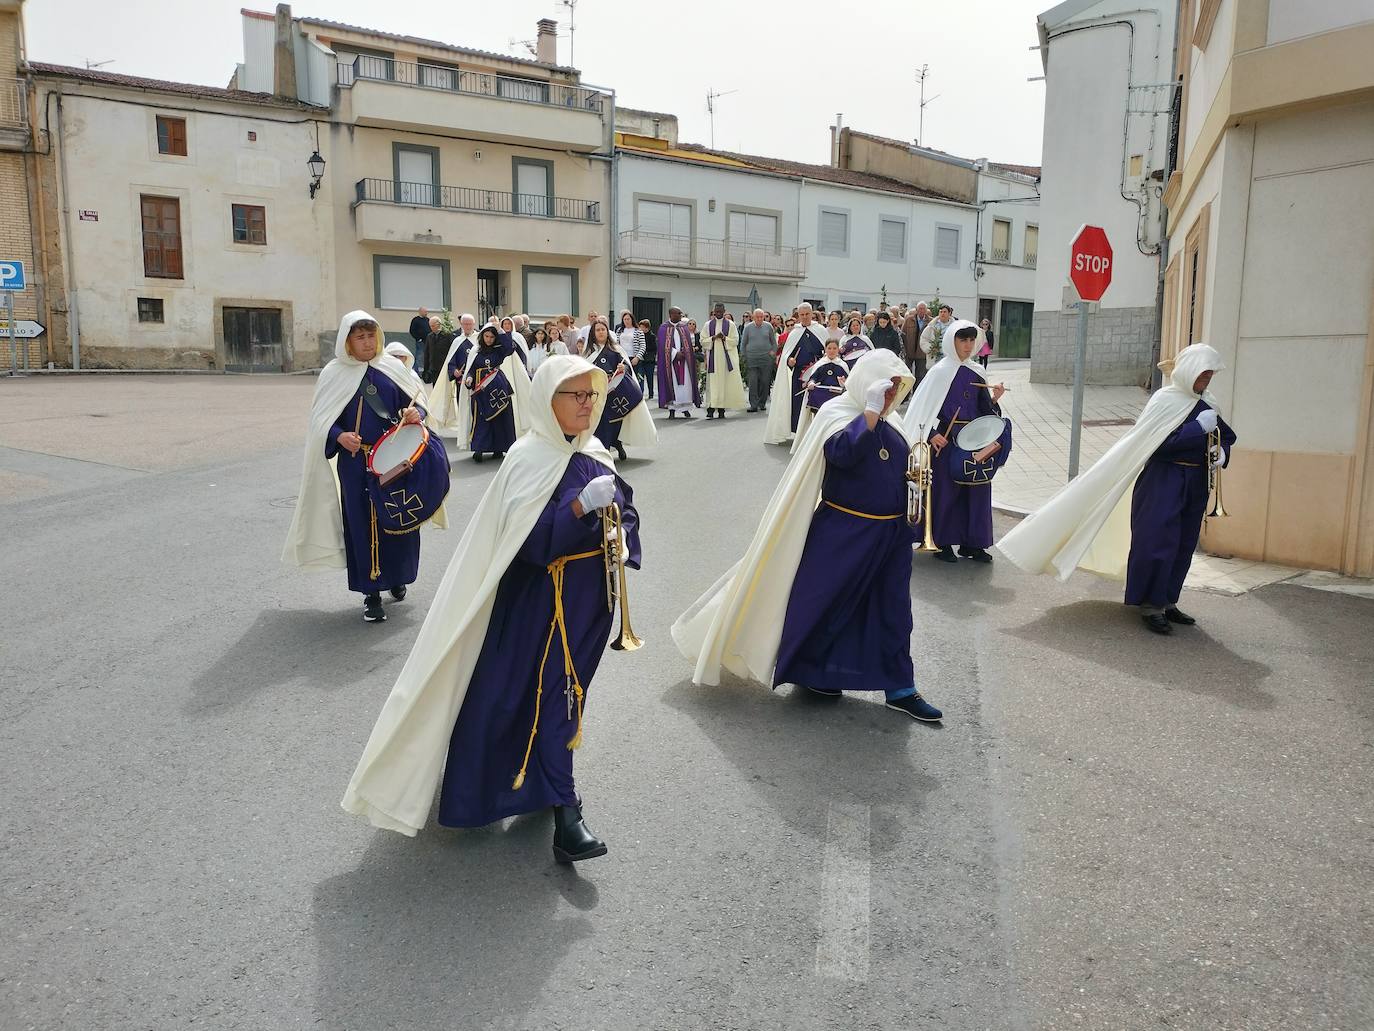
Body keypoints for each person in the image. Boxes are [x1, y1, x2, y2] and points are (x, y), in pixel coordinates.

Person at [342, 355, 643, 858]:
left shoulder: (597, 454)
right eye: (576, 395)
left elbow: (626, 511)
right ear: (549, 402)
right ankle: (568, 816)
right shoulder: (528, 459)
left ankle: (540, 784)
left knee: (564, 697)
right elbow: (527, 543)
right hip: (540, 606)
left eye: (591, 394)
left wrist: (622, 529)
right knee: (554, 697)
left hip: (590, 604)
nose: (587, 404)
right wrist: (576, 509)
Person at [672, 349, 942, 721]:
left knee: (894, 612)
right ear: (868, 382)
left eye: (898, 387)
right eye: (886, 386)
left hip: (891, 534)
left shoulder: (894, 423)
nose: (893, 394)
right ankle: (815, 673)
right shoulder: (839, 415)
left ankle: (901, 688)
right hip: (845, 530)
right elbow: (843, 453)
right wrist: (870, 414)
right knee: (826, 606)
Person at [996, 343, 1236, 635]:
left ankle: (1169, 600)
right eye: (1202, 374)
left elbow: (1225, 435)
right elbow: (1156, 445)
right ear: (1188, 371)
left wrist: (1222, 451)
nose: (1206, 380)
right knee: (1157, 542)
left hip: (1196, 482)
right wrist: (1195, 429)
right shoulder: (1165, 400)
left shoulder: (1209, 402)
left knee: (1184, 544)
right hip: (1164, 479)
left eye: (1209, 375)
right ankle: (1150, 604)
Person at [283, 311, 447, 623]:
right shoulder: (334, 374)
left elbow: (417, 402)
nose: (368, 342)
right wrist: (339, 436)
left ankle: (396, 577)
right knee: (361, 524)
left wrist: (417, 415)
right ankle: (371, 593)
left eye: (371, 335)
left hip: (394, 460)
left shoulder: (391, 368)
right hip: (356, 463)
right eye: (360, 337)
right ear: (347, 341)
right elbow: (320, 422)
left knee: (397, 519)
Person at [901, 320, 1012, 564]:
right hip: (946, 441)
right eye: (963, 340)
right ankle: (942, 541)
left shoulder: (977, 371)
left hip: (974, 440)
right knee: (945, 493)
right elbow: (922, 410)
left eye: (971, 340)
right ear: (952, 341)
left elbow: (985, 410)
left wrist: (994, 399)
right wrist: (932, 434)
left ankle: (973, 543)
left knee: (977, 491)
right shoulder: (939, 372)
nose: (968, 345)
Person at [584, 317, 658, 460]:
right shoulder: (588, 353)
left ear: (607, 332)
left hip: (615, 393)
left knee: (616, 422)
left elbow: (627, 370)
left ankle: (618, 445)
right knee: (600, 422)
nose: (600, 332)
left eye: (603, 329)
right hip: (597, 394)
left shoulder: (616, 350)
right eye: (597, 330)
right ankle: (603, 450)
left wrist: (623, 368)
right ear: (593, 333)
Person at [459, 326, 532, 463]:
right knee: (481, 419)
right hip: (480, 389)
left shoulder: (499, 350)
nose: (489, 339)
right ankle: (479, 449)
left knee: (500, 419)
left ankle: (499, 448)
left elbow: (510, 348)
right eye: (487, 336)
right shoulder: (475, 351)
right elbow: (471, 368)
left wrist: (501, 331)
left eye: (492, 337)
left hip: (498, 388)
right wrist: (469, 377)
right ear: (482, 336)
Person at [764, 301, 826, 444]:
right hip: (798, 375)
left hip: (817, 375)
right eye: (801, 314)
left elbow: (829, 349)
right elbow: (787, 354)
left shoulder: (821, 330)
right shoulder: (795, 333)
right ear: (798, 315)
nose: (804, 317)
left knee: (817, 403)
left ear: (812, 314)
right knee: (798, 404)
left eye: (807, 314)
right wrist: (789, 360)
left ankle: (816, 431)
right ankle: (800, 433)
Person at [426, 313, 478, 435]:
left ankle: (476, 429)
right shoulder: (457, 341)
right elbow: (451, 360)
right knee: (463, 406)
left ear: (474, 324)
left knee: (476, 406)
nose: (468, 326)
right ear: (461, 324)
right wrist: (454, 370)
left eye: (470, 324)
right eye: (465, 324)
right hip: (462, 380)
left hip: (477, 379)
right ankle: (465, 429)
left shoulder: (479, 339)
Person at [792, 338, 848, 449]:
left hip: (836, 398)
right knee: (820, 421)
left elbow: (848, 382)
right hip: (821, 398)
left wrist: (844, 383)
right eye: (829, 348)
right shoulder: (820, 364)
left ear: (838, 350)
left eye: (834, 348)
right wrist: (811, 383)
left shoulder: (843, 365)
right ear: (825, 349)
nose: (831, 351)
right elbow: (813, 378)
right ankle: (819, 442)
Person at [702, 302, 747, 420]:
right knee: (712, 384)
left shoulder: (730, 325)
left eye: (720, 312)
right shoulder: (708, 325)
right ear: (713, 311)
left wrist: (724, 338)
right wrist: (713, 338)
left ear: (724, 311)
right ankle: (710, 409)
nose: (718, 313)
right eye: (716, 311)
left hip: (725, 360)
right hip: (713, 359)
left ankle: (722, 410)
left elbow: (736, 341)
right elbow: (702, 340)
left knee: (724, 384)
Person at [656, 306, 700, 420]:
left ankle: (685, 408)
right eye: (678, 313)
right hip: (670, 363)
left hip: (684, 362)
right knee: (672, 385)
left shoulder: (683, 327)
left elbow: (688, 344)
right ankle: (672, 409)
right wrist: (675, 353)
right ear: (671, 315)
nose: (681, 315)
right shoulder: (663, 328)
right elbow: (661, 345)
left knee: (686, 385)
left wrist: (684, 353)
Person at [740, 308, 779, 413]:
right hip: (752, 358)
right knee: (753, 382)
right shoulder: (748, 328)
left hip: (766, 359)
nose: (759, 318)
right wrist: (743, 356)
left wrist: (773, 352)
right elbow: (743, 343)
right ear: (753, 317)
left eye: (761, 317)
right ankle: (753, 404)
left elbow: (774, 342)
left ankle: (762, 403)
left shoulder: (768, 326)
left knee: (765, 381)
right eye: (757, 317)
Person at [901, 303, 930, 383]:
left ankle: (917, 393)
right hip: (909, 351)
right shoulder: (909, 319)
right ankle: (906, 394)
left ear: (926, 310)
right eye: (920, 308)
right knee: (906, 375)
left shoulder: (930, 321)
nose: (921, 310)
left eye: (923, 309)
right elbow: (903, 334)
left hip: (922, 353)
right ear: (916, 310)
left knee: (920, 376)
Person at [420, 317, 452, 386]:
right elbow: (427, 354)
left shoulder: (447, 335)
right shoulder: (429, 336)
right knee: (435, 388)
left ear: (439, 324)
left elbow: (451, 352)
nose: (431, 328)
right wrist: (426, 369)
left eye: (433, 326)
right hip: (433, 368)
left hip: (444, 368)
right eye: (430, 326)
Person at [636, 318, 656, 398]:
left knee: (649, 378)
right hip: (641, 360)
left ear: (647, 328)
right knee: (640, 377)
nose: (641, 329)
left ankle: (651, 393)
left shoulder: (652, 336)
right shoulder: (639, 335)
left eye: (642, 327)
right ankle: (641, 393)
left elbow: (654, 348)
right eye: (640, 327)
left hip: (649, 361)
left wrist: (644, 349)